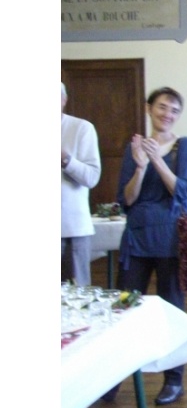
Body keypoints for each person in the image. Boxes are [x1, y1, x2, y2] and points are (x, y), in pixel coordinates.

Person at [116, 86, 187, 406]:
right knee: (125, 307)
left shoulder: (184, 146)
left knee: (171, 310)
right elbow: (127, 199)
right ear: (149, 108)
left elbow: (182, 192)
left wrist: (155, 160)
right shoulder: (133, 147)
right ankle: (115, 377)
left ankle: (174, 380)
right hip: (136, 236)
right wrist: (139, 165)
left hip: (170, 239)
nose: (168, 114)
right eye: (163, 107)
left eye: (175, 110)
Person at [61, 82, 102, 286]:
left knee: (76, 298)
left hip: (72, 231)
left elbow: (92, 178)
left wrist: (66, 160)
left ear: (63, 100)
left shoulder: (81, 128)